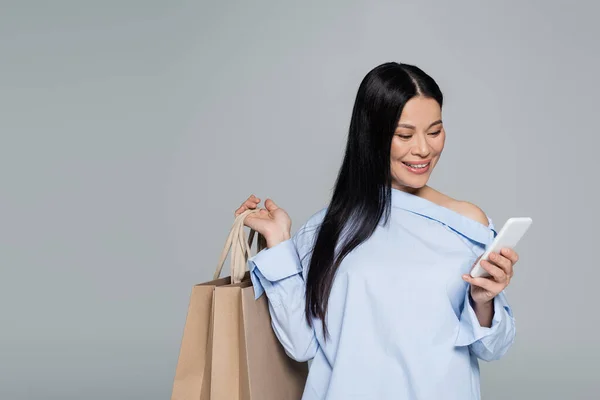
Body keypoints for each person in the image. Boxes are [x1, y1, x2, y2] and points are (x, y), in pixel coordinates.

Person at [234, 62, 518, 400]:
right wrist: (279, 243)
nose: (424, 149)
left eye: (435, 130)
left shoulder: (467, 222)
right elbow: (300, 344)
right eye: (404, 135)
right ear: (372, 135)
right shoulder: (326, 229)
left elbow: (493, 349)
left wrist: (483, 302)